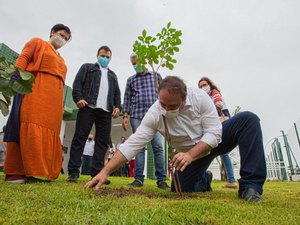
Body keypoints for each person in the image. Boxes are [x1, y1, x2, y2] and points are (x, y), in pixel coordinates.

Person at [85, 76, 267, 204]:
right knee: (178, 189)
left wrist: (189, 154)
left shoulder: (200, 98)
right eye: (163, 104)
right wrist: (105, 172)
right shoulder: (155, 113)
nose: (166, 109)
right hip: (193, 156)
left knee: (248, 119)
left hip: (217, 139)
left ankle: (250, 187)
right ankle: (205, 178)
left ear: (184, 97)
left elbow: (214, 133)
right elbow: (133, 144)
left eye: (172, 105)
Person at [4, 24, 71, 183]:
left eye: (66, 39)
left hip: (53, 101)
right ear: (53, 33)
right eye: (61, 35)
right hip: (35, 92)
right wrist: (15, 78)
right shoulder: (37, 43)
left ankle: (36, 172)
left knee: (49, 130)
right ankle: (16, 172)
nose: (63, 39)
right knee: (29, 125)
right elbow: (24, 58)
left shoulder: (61, 58)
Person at [67, 45, 121, 183]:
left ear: (111, 58)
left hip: (106, 111)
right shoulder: (87, 68)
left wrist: (118, 107)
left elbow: (116, 94)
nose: (105, 58)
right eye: (102, 56)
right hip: (88, 107)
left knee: (102, 143)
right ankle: (73, 172)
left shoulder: (112, 75)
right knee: (80, 138)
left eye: (107, 57)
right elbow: (77, 83)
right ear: (97, 55)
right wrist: (78, 98)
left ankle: (96, 173)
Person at [121, 53, 169, 190]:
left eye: (137, 62)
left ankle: (161, 180)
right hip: (137, 115)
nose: (136, 66)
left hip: (155, 116)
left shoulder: (156, 76)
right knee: (139, 147)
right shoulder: (131, 80)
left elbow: (163, 94)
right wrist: (125, 116)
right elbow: (127, 98)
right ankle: (138, 179)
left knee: (158, 147)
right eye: (133, 64)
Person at [198, 77, 238, 188]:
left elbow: (219, 104)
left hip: (220, 122)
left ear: (210, 85)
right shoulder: (204, 97)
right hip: (215, 125)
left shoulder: (214, 92)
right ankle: (231, 180)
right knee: (222, 153)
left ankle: (231, 180)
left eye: (204, 85)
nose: (203, 87)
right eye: (200, 86)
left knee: (217, 152)